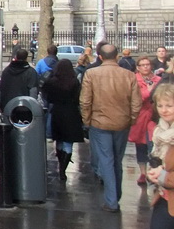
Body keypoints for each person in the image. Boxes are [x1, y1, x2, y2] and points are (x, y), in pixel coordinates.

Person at [124, 83, 174, 229]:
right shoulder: (162, 129)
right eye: (161, 105)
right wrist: (158, 173)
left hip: (168, 189)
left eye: (170, 105)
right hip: (166, 195)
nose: (165, 110)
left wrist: (162, 175)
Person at [80, 43, 140, 212]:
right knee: (117, 160)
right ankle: (115, 196)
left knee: (106, 160)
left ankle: (112, 200)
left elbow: (85, 101)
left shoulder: (91, 74)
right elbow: (136, 103)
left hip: (99, 122)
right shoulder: (129, 75)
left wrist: (87, 120)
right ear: (117, 56)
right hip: (122, 123)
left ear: (100, 57)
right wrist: (131, 119)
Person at [41, 58, 82, 181]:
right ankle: (63, 169)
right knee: (68, 142)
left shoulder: (52, 82)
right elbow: (78, 98)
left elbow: (47, 96)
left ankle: (60, 163)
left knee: (59, 139)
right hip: (71, 112)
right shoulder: (74, 82)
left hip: (57, 112)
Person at [129, 56, 160, 186]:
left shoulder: (158, 79)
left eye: (147, 64)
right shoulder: (134, 80)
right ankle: (143, 173)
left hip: (154, 117)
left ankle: (154, 172)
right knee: (140, 146)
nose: (145, 67)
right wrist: (150, 89)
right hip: (140, 117)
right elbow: (140, 97)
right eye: (142, 65)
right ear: (138, 67)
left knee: (154, 145)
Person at [0, 46, 38, 111]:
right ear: (26, 58)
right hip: (24, 106)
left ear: (16, 57)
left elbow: (1, 87)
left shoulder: (6, 71)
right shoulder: (31, 72)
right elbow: (33, 90)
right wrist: (32, 106)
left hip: (7, 105)